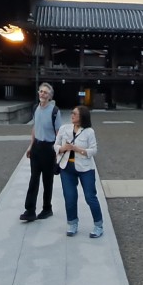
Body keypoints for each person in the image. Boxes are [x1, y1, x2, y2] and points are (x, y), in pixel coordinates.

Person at [55, 105, 104, 238]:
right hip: (67, 168)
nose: (72, 115)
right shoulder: (65, 128)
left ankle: (98, 225)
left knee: (90, 197)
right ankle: (72, 223)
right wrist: (62, 148)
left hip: (85, 168)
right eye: (72, 113)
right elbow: (56, 144)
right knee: (70, 197)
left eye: (75, 114)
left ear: (82, 117)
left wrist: (77, 149)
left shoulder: (89, 132)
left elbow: (94, 150)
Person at [20, 82, 59, 223]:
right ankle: (30, 210)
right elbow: (35, 128)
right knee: (34, 179)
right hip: (37, 146)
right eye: (41, 91)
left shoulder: (55, 111)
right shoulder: (36, 108)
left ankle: (47, 208)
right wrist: (30, 146)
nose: (42, 94)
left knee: (47, 180)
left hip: (49, 148)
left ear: (50, 96)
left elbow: (58, 133)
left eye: (45, 93)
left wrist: (57, 152)